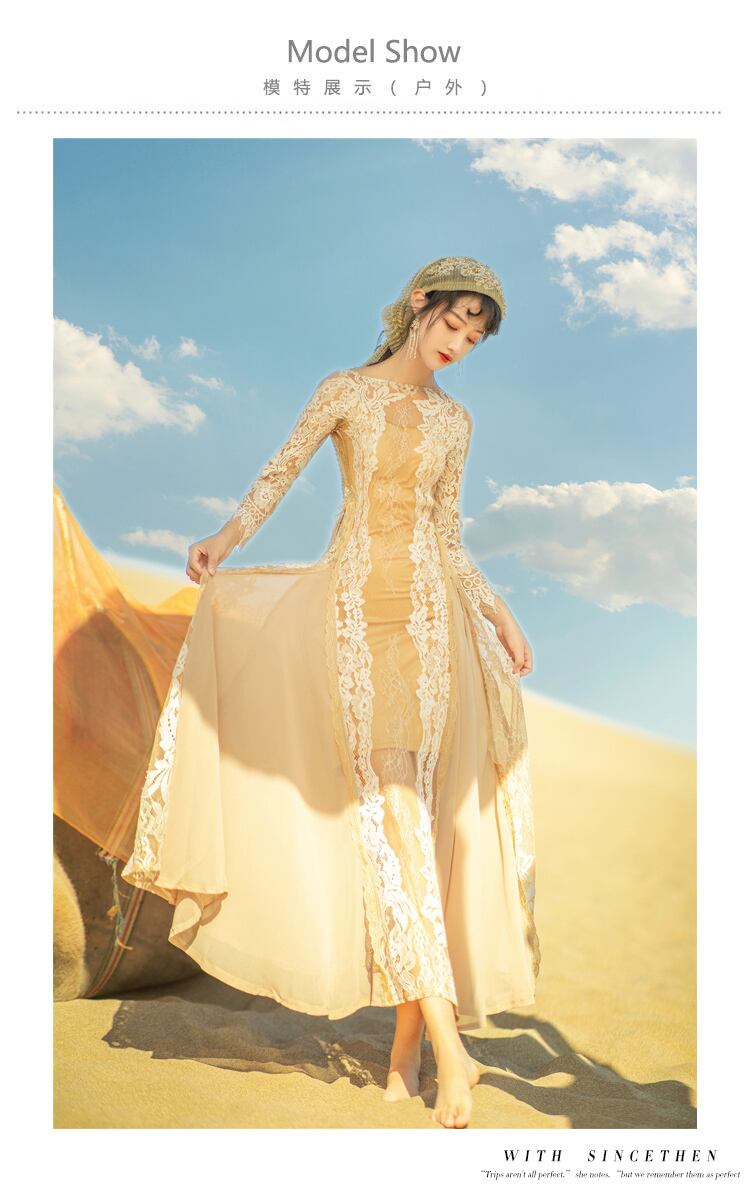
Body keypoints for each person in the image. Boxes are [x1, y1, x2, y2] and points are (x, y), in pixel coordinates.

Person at [121, 255, 540, 1129]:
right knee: (394, 818)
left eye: (476, 336)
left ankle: (407, 1052)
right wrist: (226, 535)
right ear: (420, 304)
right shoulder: (343, 391)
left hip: (432, 629)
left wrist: (499, 613)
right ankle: (450, 1050)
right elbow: (280, 472)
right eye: (454, 321)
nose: (460, 343)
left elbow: (448, 535)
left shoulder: (455, 421)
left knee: (417, 824)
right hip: (353, 618)